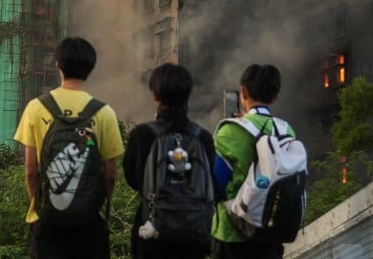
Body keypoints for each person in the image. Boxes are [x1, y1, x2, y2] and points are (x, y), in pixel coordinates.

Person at [14, 37, 124, 259]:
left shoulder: (35, 108)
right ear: (91, 68)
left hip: (47, 223)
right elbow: (110, 175)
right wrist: (99, 210)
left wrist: (40, 208)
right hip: (90, 225)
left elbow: (31, 171)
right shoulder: (104, 113)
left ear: (58, 65)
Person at [123, 63, 216, 259]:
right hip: (193, 236)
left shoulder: (142, 135)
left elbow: (132, 179)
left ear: (155, 95)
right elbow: (212, 185)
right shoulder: (204, 138)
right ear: (188, 95)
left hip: (151, 233)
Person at [211, 64, 295, 259]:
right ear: (274, 97)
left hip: (232, 234)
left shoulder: (230, 132)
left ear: (243, 92)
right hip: (271, 234)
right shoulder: (285, 131)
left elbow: (216, 185)